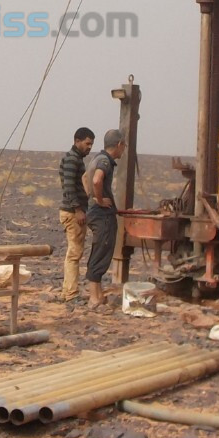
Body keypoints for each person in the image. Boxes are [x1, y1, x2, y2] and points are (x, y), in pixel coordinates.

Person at [84, 129, 126, 308]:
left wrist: (91, 198)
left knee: (99, 250)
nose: (123, 149)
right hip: (102, 216)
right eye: (123, 146)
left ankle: (98, 295)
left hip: (94, 212)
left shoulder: (96, 158)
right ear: (119, 145)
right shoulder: (105, 162)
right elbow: (95, 180)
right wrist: (99, 200)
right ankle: (94, 298)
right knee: (101, 251)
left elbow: (85, 177)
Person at [56, 127, 95, 301]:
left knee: (73, 252)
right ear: (77, 141)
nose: (89, 147)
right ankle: (71, 293)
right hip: (72, 213)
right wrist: (78, 209)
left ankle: (67, 291)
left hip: (70, 211)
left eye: (91, 144)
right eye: (87, 143)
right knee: (75, 253)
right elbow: (69, 186)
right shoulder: (73, 160)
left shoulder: (74, 159)